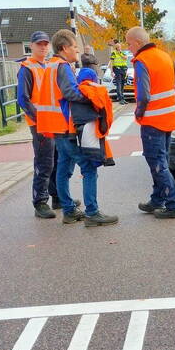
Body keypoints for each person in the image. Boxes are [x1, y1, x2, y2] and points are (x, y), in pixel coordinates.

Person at [53, 28, 119, 226]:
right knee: (89, 168)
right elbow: (70, 93)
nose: (76, 51)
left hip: (54, 126)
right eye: (74, 47)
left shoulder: (48, 66)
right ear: (64, 48)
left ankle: (68, 210)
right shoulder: (63, 66)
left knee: (63, 168)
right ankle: (92, 212)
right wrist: (92, 98)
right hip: (67, 126)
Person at [125, 26, 175, 219]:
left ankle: (174, 205)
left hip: (153, 121)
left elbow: (144, 96)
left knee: (157, 164)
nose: (128, 48)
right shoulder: (164, 56)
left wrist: (139, 113)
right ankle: (157, 200)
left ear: (137, 43)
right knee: (161, 161)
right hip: (169, 118)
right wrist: (170, 99)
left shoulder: (141, 61)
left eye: (129, 44)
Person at [17, 31, 72, 219]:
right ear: (31, 46)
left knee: (57, 159)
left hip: (53, 121)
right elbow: (23, 99)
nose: (43, 47)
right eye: (39, 44)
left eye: (45, 44)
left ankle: (57, 197)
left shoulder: (48, 66)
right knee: (44, 162)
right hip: (40, 123)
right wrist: (39, 120)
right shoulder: (27, 68)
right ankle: (40, 201)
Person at [108, 40, 129, 104]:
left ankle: (122, 98)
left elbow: (125, 58)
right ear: (116, 47)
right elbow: (111, 62)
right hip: (117, 69)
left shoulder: (122, 53)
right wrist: (111, 71)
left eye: (120, 47)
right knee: (119, 84)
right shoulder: (114, 53)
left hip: (123, 69)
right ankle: (120, 99)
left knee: (122, 84)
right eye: (118, 47)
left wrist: (120, 53)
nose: (120, 48)